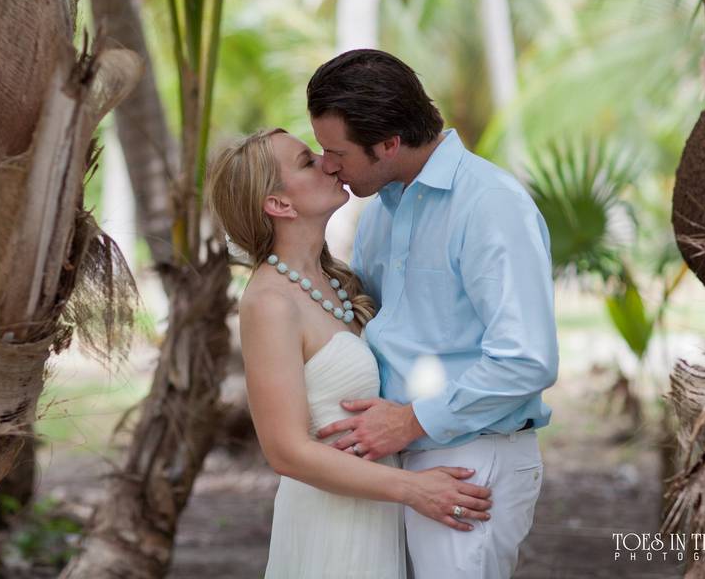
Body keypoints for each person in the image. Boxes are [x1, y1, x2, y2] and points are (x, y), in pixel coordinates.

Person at [307, 49, 559, 579]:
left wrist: (411, 421)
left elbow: (528, 359)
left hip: (472, 459)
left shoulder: (490, 205)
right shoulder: (380, 212)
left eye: (337, 152)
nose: (327, 164)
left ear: (389, 144)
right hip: (397, 464)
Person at [206, 128, 494, 579]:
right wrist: (413, 488)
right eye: (306, 161)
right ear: (278, 204)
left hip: (378, 513)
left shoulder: (339, 280)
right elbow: (286, 452)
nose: (328, 161)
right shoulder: (269, 303)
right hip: (331, 527)